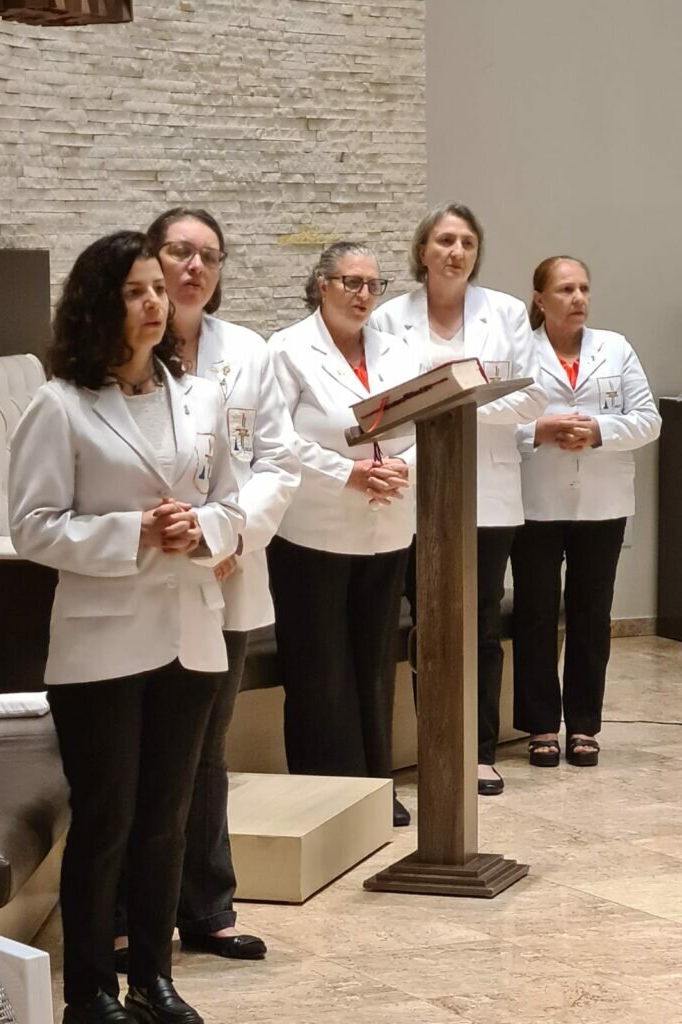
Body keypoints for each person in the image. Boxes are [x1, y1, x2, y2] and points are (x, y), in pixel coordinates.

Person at [9, 231, 244, 1024]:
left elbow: (236, 504)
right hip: (101, 645)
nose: (154, 303)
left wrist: (203, 529)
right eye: (135, 291)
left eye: (157, 290)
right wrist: (132, 533)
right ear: (97, 305)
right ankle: (89, 993)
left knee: (165, 822)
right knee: (106, 821)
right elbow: (32, 528)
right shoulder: (59, 404)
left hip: (189, 634)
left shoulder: (201, 398)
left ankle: (153, 980)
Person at [110, 207, 297, 963]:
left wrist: (226, 537)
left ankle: (208, 908)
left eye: (209, 257)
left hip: (228, 572)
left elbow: (277, 463)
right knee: (137, 750)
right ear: (151, 262)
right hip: (142, 576)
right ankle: (124, 914)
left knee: (207, 749)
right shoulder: (111, 356)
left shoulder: (248, 352)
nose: (194, 268)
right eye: (180, 252)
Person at [371, 202, 547, 795]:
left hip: (488, 494)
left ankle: (479, 750)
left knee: (480, 624)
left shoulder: (505, 313)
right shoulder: (389, 318)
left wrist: (454, 408)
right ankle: (437, 746)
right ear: (422, 250)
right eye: (445, 240)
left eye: (467, 242)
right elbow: (384, 403)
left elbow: (531, 397)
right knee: (428, 625)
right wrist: (458, 405)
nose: (456, 252)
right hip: (415, 492)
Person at [267, 241, 421, 827]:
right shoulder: (287, 349)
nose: (363, 295)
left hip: (387, 525)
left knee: (374, 667)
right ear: (322, 284)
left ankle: (375, 788)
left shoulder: (397, 350)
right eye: (351, 282)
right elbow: (277, 438)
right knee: (320, 671)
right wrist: (347, 473)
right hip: (313, 531)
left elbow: (428, 421)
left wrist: (400, 468)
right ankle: (327, 798)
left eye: (373, 285)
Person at [511, 256, 661, 767]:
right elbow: (494, 424)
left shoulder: (615, 348)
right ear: (540, 299)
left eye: (584, 289)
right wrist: (540, 430)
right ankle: (539, 725)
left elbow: (648, 420)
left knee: (591, 615)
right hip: (534, 500)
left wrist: (598, 431)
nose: (578, 298)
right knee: (535, 613)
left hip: (602, 502)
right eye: (565, 289)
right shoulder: (518, 352)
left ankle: (583, 725)